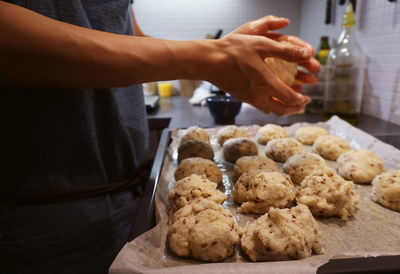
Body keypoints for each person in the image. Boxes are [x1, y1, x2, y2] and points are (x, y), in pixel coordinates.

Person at [0, 1, 320, 273]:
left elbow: (119, 31)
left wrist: (217, 57)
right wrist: (206, 57)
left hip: (133, 204)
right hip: (38, 219)